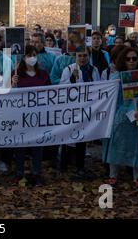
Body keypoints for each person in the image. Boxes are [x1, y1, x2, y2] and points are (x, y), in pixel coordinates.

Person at [104, 47, 138, 191]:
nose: (131, 61)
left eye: (134, 58)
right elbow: (109, 99)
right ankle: (113, 176)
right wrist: (124, 111)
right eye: (128, 59)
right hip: (121, 120)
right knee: (116, 147)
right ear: (123, 61)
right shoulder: (116, 79)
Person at [11, 46, 51, 186]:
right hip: (21, 116)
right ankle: (19, 173)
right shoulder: (16, 74)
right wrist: (13, 84)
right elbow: (8, 95)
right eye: (28, 55)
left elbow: (51, 93)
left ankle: (36, 173)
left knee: (37, 145)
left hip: (39, 115)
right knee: (20, 145)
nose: (32, 58)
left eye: (34, 55)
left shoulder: (43, 74)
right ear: (23, 58)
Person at [60, 46, 100, 180]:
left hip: (88, 108)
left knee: (82, 138)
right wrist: (72, 79)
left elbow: (98, 87)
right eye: (80, 56)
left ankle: (80, 166)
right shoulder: (69, 69)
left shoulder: (94, 70)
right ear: (75, 57)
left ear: (89, 56)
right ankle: (63, 164)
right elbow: (62, 88)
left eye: (85, 56)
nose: (82, 58)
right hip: (72, 109)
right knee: (67, 137)